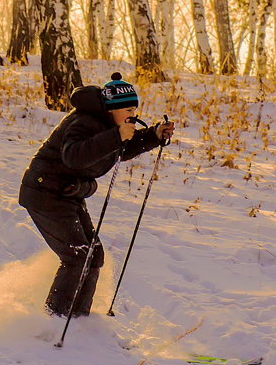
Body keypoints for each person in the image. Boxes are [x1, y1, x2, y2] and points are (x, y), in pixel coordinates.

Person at [19, 73, 174, 318]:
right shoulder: (83, 122)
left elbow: (119, 150)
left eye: (135, 106)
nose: (132, 112)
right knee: (76, 256)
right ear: (111, 108)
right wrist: (117, 136)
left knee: (93, 255)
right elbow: (74, 155)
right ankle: (56, 320)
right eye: (127, 107)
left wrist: (153, 135)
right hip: (44, 192)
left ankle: (79, 320)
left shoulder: (110, 125)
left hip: (68, 193)